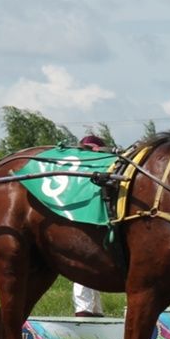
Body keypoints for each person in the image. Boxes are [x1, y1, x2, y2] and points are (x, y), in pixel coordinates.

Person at [72, 134, 107, 318]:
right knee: (82, 267)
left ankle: (94, 311)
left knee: (94, 266)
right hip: (81, 221)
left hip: (98, 221)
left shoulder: (103, 168)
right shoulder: (77, 170)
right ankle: (84, 310)